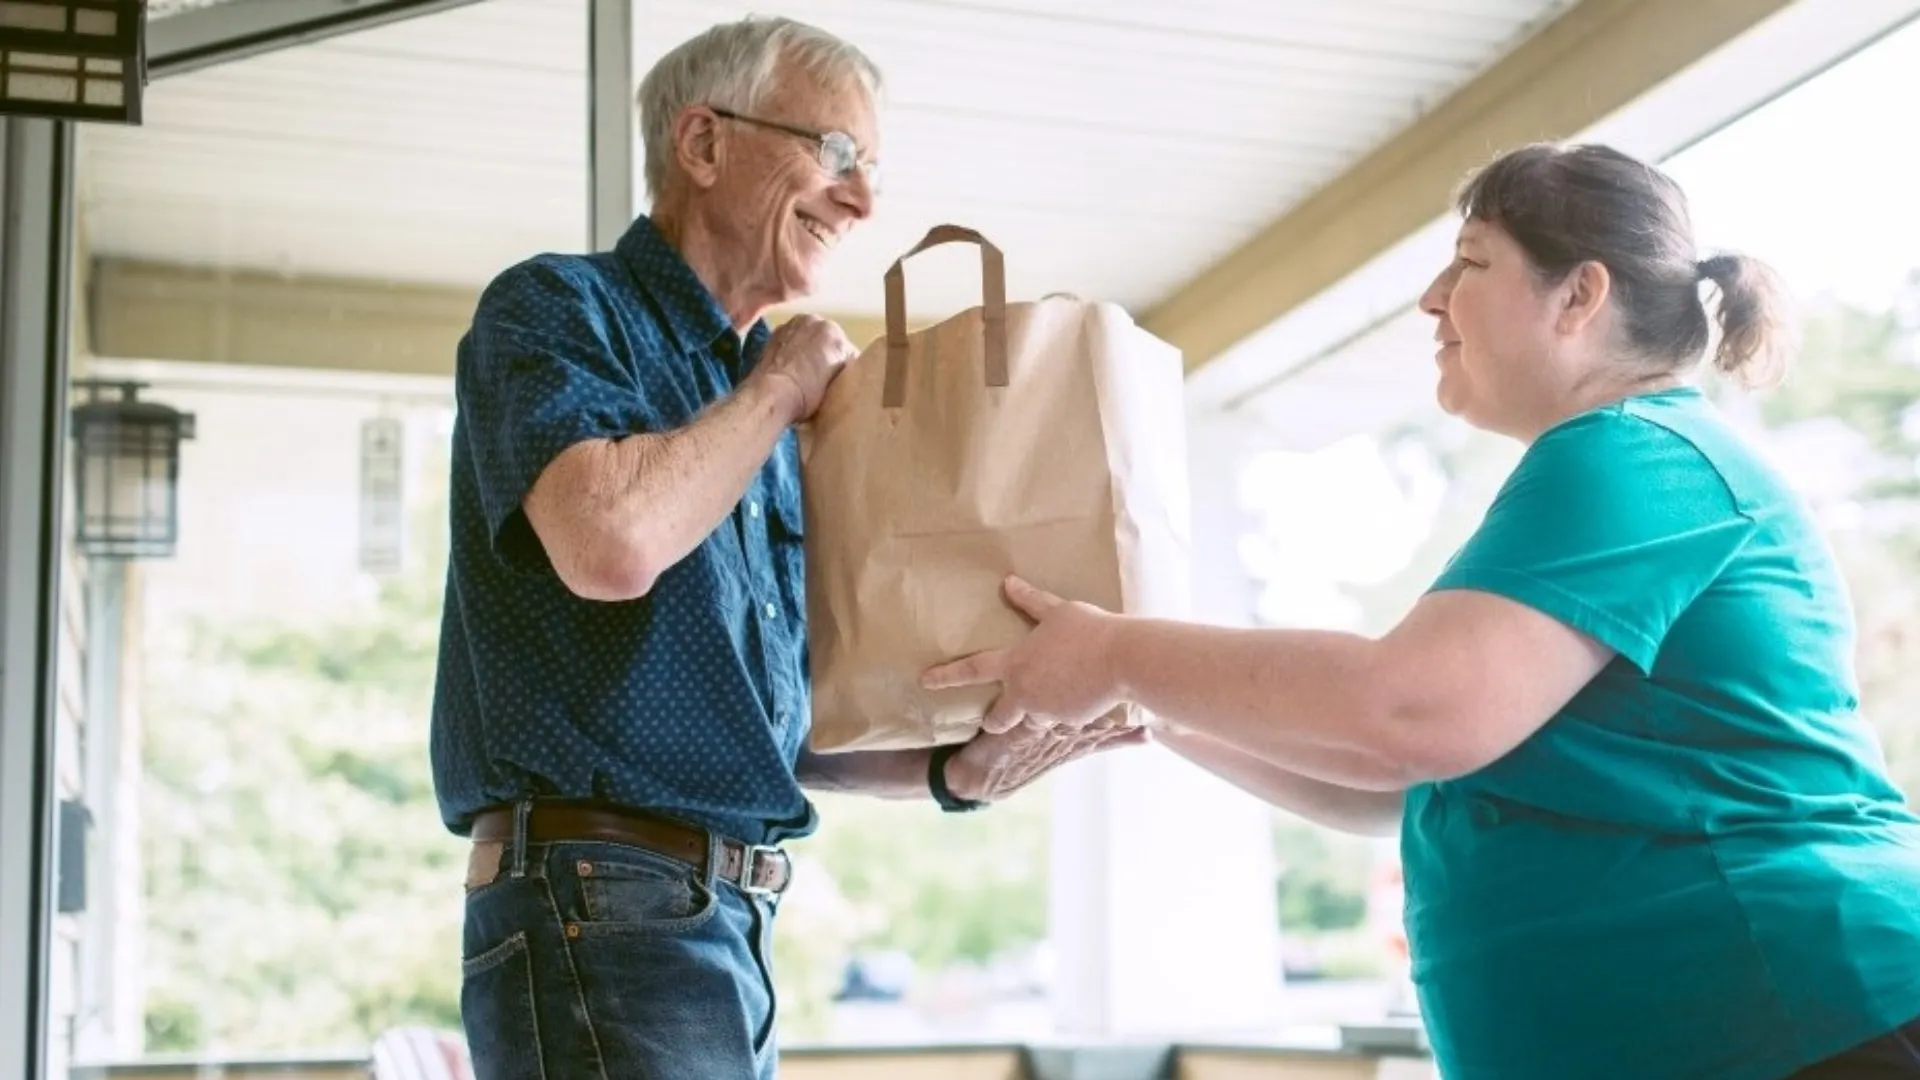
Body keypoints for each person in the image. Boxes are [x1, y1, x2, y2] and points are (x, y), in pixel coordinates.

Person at [925, 142, 1920, 1080]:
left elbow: (1409, 718)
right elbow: (1393, 783)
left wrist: (1121, 655)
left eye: (1471, 262)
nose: (1430, 299)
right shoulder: (1618, 467)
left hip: (1799, 1017)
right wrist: (1152, 707)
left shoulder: (1637, 452)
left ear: (1580, 294)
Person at [428, 16, 1138, 1080]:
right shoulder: (557, 308)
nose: (860, 200)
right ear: (703, 145)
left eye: (873, 173)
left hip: (717, 919)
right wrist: (776, 389)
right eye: (837, 154)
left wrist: (956, 769)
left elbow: (772, 731)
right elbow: (610, 542)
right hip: (600, 899)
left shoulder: (759, 419)